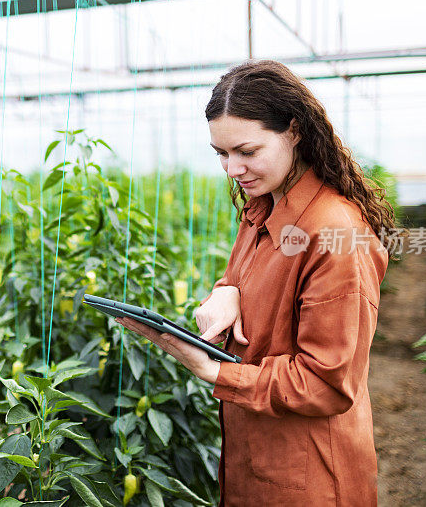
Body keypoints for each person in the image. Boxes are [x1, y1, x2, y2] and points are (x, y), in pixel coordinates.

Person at [115, 59, 398, 506]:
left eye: (247, 151)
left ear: (295, 131)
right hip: (256, 458)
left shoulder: (337, 233)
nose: (232, 168)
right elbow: (252, 273)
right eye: (222, 154)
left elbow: (327, 383)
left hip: (310, 478)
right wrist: (227, 288)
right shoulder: (263, 208)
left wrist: (214, 370)